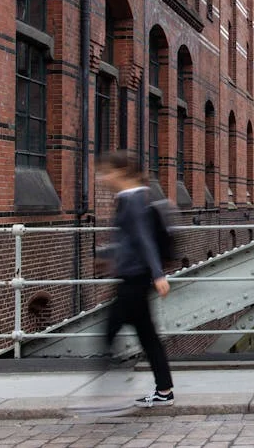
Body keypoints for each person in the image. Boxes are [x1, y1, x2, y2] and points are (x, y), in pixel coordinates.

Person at [96, 150, 175, 407]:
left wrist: (157, 274)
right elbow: (131, 238)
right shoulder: (132, 198)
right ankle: (164, 391)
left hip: (135, 278)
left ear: (120, 173)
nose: (102, 178)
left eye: (106, 172)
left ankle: (107, 396)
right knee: (147, 336)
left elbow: (144, 239)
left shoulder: (133, 200)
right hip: (134, 276)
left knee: (109, 331)